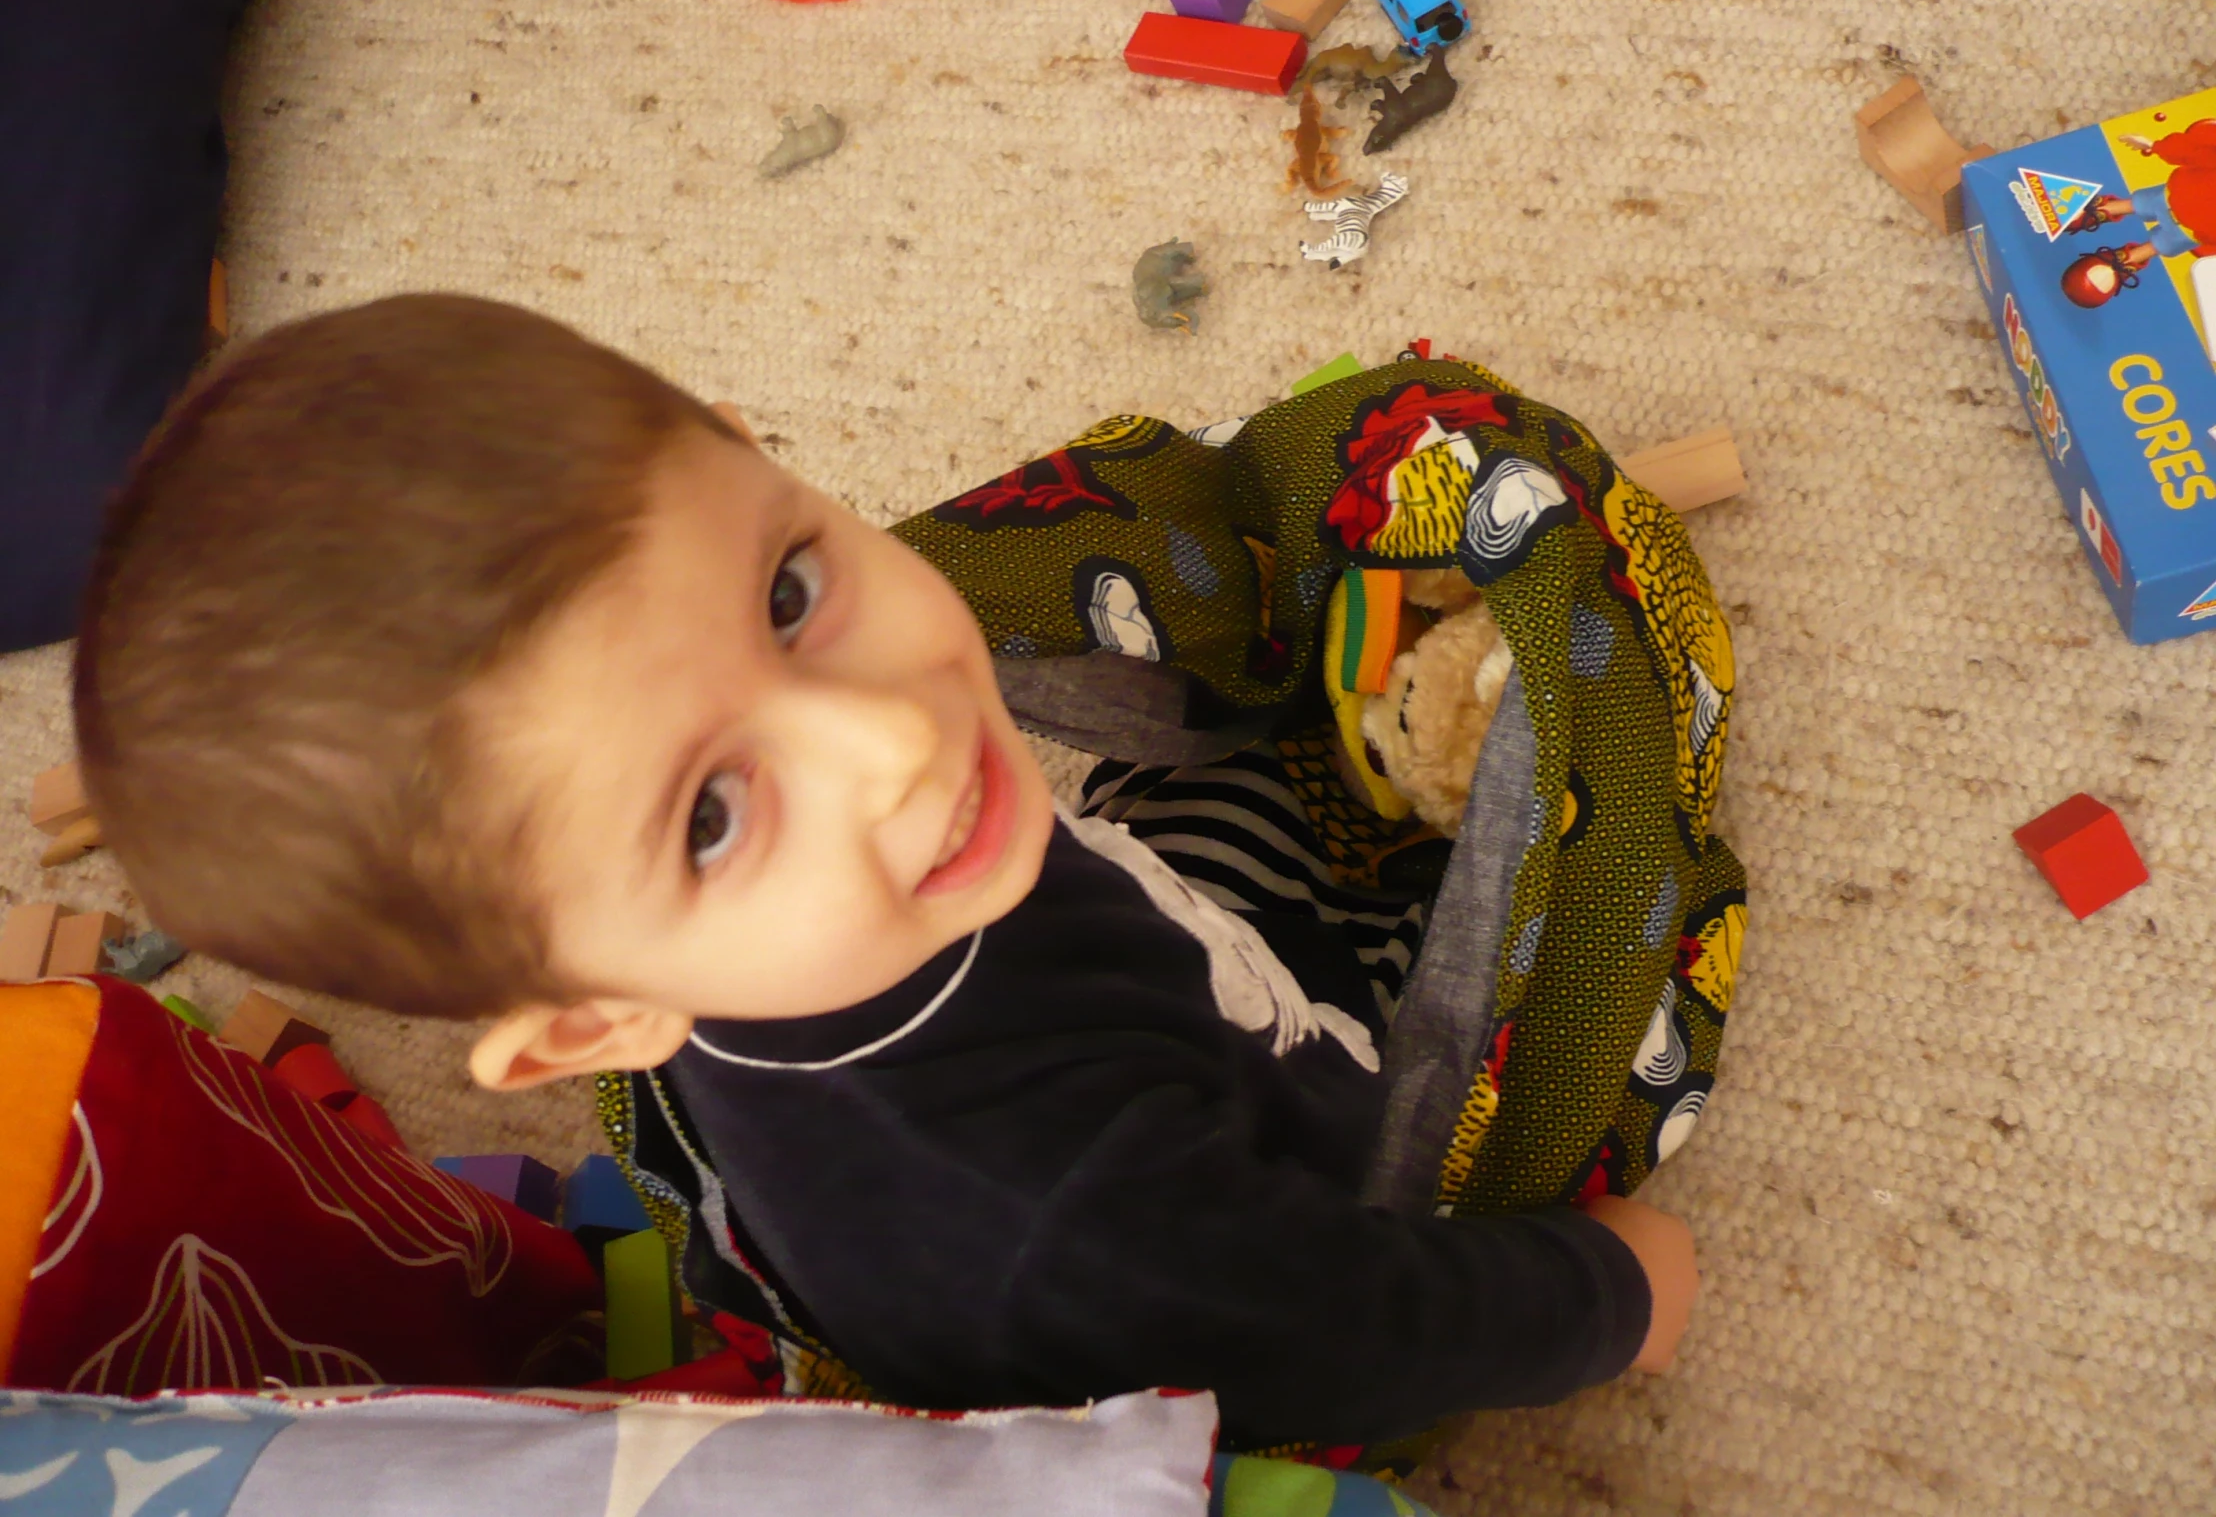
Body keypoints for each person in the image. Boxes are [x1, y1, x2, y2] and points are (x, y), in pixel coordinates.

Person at [72, 294, 1699, 1449]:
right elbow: (1345, 1343)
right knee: (1576, 816)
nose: (890, 739)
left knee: (1278, 660)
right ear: (593, 1022)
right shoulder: (1049, 1215)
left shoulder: (870, 887)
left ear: (742, 441)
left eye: (787, 590)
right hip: (1300, 1190)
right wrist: (1608, 1297)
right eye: (710, 813)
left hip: (1173, 964)